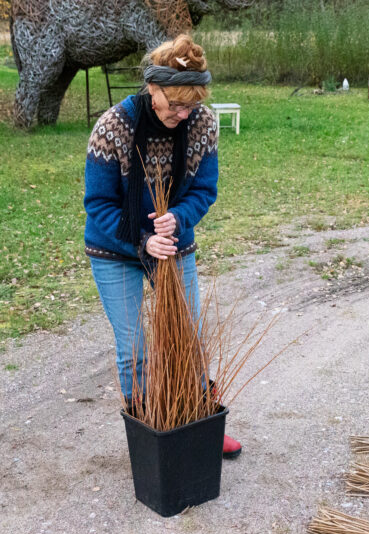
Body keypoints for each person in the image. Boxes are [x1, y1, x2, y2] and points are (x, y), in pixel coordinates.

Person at [83, 34, 242, 458]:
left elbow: (204, 190)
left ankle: (200, 420)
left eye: (191, 104)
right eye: (175, 104)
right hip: (116, 250)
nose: (183, 113)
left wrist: (180, 217)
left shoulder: (203, 124)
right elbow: (98, 202)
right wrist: (140, 239)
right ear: (153, 88)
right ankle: (149, 435)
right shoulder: (113, 127)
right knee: (133, 348)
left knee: (188, 337)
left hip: (173, 246)